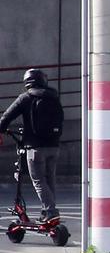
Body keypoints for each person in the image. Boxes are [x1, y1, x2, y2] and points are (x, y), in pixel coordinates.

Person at [1, 69, 63, 225]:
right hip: (54, 146)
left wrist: (1, 130)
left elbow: (7, 116)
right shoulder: (54, 97)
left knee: (38, 180)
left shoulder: (26, 98)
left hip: (35, 147)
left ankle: (50, 211)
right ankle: (47, 212)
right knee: (50, 180)